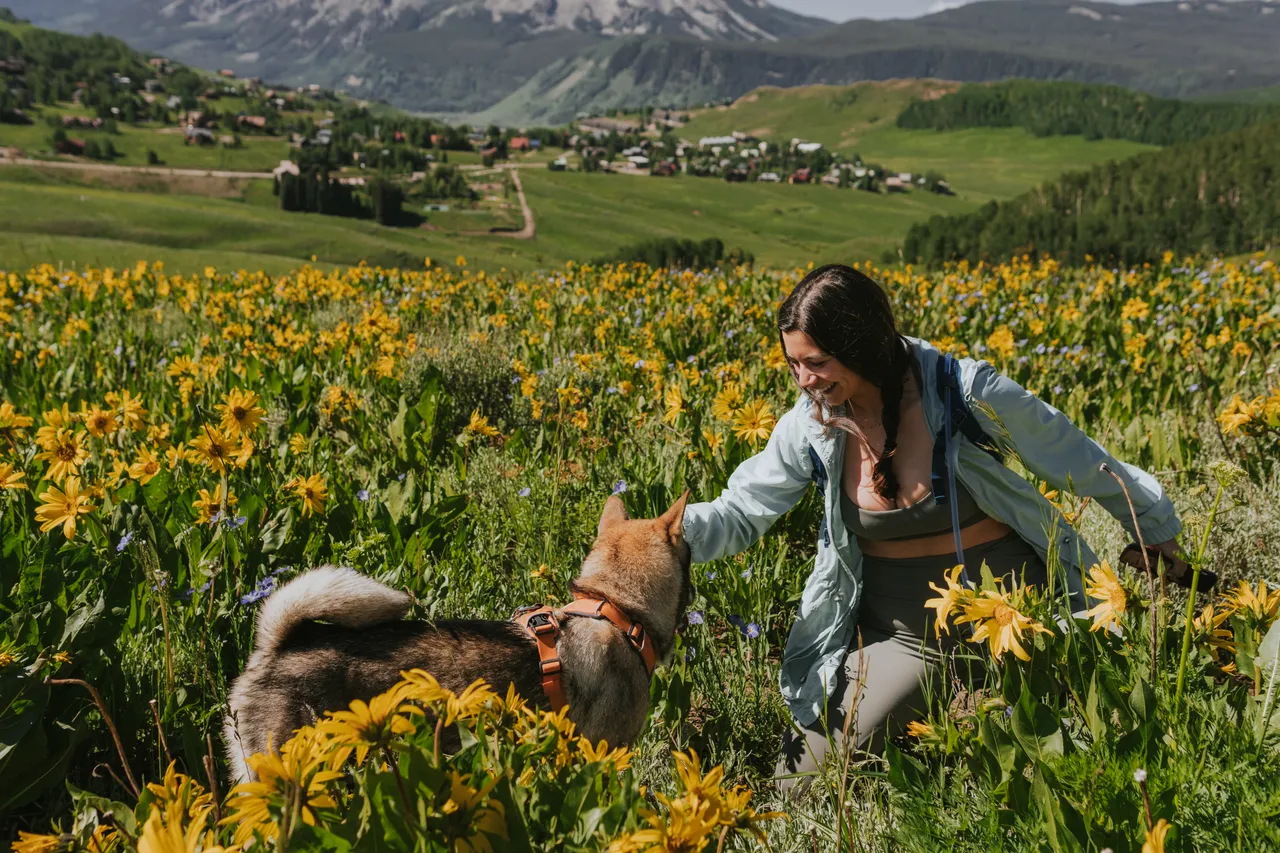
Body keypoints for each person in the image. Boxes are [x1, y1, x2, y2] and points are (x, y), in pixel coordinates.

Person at [680, 264, 1187, 788]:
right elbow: (741, 511)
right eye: (793, 365)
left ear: (861, 345)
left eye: (818, 363)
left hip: (1018, 615)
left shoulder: (963, 391)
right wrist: (662, 535)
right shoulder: (810, 425)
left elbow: (1078, 458)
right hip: (904, 637)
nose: (805, 381)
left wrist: (1152, 526)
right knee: (797, 780)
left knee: (1088, 750)